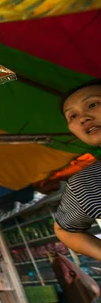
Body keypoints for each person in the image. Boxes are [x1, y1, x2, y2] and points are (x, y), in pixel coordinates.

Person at [54, 79, 101, 261]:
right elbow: (64, 230)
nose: (83, 118)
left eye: (93, 104)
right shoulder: (87, 183)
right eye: (72, 116)